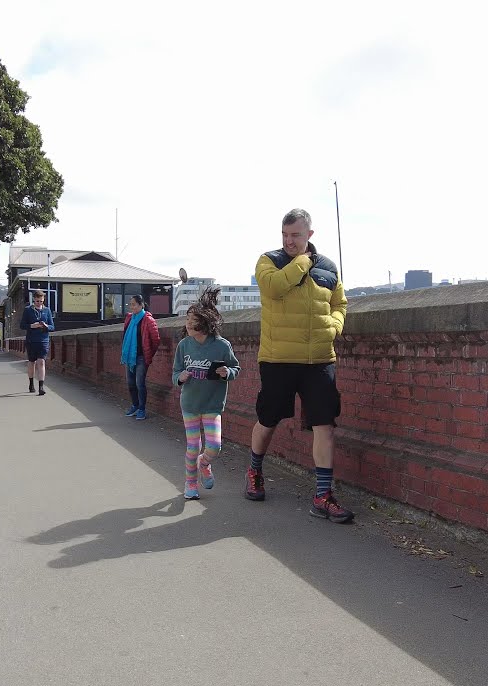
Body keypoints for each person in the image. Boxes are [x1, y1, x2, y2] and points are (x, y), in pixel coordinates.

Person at [247, 208, 355, 523]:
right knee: (267, 421)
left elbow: (340, 302)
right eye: (285, 235)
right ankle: (254, 471)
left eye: (295, 235)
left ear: (309, 234)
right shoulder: (269, 261)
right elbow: (273, 288)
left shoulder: (329, 268)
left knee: (326, 425)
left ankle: (323, 496)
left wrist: (334, 326)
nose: (289, 240)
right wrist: (302, 262)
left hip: (319, 360)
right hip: (278, 358)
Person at [173, 287, 240, 500]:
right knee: (193, 447)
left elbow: (235, 369)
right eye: (187, 320)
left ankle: (205, 464)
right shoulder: (184, 346)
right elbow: (175, 372)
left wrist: (226, 372)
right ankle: (190, 484)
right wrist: (180, 377)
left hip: (212, 405)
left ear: (204, 323)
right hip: (190, 404)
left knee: (214, 446)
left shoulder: (222, 346)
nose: (187, 324)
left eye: (192, 321)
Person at [121, 294, 161, 420]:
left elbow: (156, 340)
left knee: (140, 383)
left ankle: (142, 409)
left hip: (141, 358)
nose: (131, 306)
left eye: (133, 304)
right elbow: (125, 335)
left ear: (141, 305)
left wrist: (148, 353)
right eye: (130, 304)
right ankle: (135, 405)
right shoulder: (129, 318)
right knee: (130, 383)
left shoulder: (148, 320)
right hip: (129, 357)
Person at [20, 290, 54, 396]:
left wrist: (46, 326)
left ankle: (41, 387)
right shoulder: (28, 310)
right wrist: (31, 326)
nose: (39, 303)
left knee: (41, 362)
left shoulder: (47, 311)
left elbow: (52, 327)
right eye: (37, 301)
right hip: (31, 340)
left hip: (43, 340)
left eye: (41, 301)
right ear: (34, 299)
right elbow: (22, 325)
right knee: (31, 362)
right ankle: (31, 383)